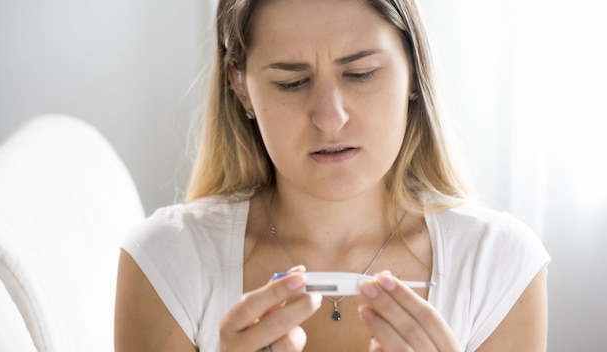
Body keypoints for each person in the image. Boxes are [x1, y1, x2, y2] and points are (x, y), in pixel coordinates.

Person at [114, 0, 550, 351]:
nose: (329, 118)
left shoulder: (499, 267)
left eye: (360, 74)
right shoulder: (166, 263)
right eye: (291, 82)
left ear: (414, 72)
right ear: (240, 86)